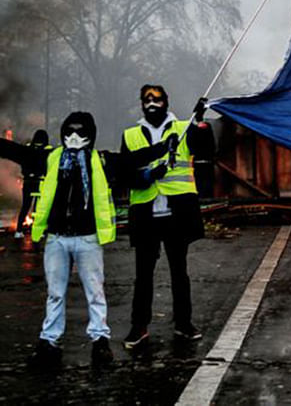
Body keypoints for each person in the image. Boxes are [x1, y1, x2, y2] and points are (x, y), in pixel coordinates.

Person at [0, 112, 173, 367]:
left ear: (90, 135)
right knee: (55, 294)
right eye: (69, 132)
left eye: (80, 133)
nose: (73, 138)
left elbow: (130, 161)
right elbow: (18, 152)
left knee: (95, 293)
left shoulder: (100, 160)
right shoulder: (52, 158)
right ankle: (49, 342)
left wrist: (162, 148)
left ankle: (100, 342)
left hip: (88, 238)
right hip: (57, 238)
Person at [121, 84, 214, 349]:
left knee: (179, 272)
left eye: (157, 98)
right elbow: (124, 174)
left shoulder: (183, 128)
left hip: (176, 213)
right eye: (147, 99)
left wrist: (199, 121)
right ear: (141, 103)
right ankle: (139, 327)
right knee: (143, 275)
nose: (152, 103)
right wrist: (148, 175)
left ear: (166, 101)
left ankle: (184, 324)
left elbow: (205, 149)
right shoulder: (130, 135)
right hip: (146, 213)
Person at [14, 129, 52, 238]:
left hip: (28, 181)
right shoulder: (47, 150)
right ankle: (37, 231)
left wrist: (27, 173)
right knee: (38, 207)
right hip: (40, 182)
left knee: (25, 205)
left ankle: (18, 230)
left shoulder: (27, 149)